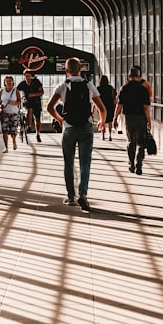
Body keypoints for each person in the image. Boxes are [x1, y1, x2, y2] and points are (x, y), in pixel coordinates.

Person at [47, 57, 106, 212]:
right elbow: (102, 109)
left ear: (66, 70)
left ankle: (70, 196)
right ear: (81, 69)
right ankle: (83, 194)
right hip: (86, 128)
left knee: (68, 163)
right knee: (85, 163)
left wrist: (60, 119)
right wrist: (101, 122)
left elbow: (49, 107)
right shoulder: (89, 85)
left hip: (69, 129)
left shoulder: (62, 86)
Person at [113, 67, 152, 174]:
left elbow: (119, 105)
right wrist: (149, 120)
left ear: (128, 76)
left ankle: (131, 164)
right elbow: (146, 107)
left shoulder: (124, 88)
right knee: (141, 143)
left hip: (129, 118)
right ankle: (139, 164)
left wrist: (115, 118)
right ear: (139, 77)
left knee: (131, 142)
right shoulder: (143, 89)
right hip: (141, 118)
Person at [16, 70, 45, 143]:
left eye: (29, 76)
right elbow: (16, 91)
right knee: (30, 110)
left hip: (36, 101)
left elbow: (42, 92)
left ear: (31, 76)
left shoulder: (36, 82)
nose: (27, 78)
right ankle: (28, 126)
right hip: (27, 101)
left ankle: (38, 133)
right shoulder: (22, 84)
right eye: (26, 76)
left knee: (37, 119)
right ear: (24, 76)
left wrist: (33, 94)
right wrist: (18, 98)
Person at [0, 75, 22, 152]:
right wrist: (0, 105)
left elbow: (20, 102)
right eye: (7, 81)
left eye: (10, 81)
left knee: (13, 130)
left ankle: (14, 141)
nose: (8, 82)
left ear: (13, 82)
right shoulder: (1, 91)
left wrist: (13, 103)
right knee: (5, 130)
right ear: (4, 82)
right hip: (4, 113)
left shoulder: (16, 91)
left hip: (14, 113)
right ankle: (6, 147)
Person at [97, 75, 117, 140]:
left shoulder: (98, 88)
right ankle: (110, 135)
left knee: (102, 120)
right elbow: (114, 98)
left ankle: (102, 135)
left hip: (101, 106)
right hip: (110, 106)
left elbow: (96, 98)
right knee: (110, 121)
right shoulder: (111, 88)